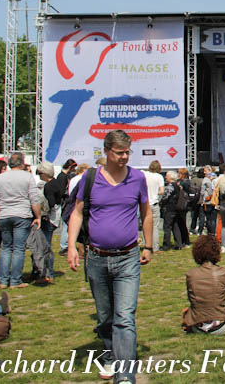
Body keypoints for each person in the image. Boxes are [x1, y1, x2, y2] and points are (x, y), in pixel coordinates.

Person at [67, 129, 153, 383]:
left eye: (127, 152)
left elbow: (146, 213)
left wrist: (149, 246)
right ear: (106, 151)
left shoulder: (137, 178)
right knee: (105, 316)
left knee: (125, 317)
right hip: (96, 258)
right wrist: (72, 246)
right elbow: (77, 213)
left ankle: (125, 375)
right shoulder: (90, 178)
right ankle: (109, 355)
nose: (124, 157)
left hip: (128, 257)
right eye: (119, 152)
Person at [0, 152, 42, 289]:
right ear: (22, 163)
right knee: (19, 248)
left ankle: (3, 280)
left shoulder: (0, 178)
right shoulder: (27, 177)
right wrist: (38, 216)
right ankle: (15, 280)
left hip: (5, 214)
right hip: (22, 214)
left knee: (6, 248)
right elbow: (34, 199)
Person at [34, 161, 59, 284]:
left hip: (47, 219)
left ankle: (47, 274)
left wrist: (42, 210)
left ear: (44, 173)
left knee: (45, 247)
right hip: (52, 219)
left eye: (39, 173)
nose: (38, 175)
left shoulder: (48, 186)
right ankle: (43, 273)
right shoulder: (56, 183)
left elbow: (50, 203)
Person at [142, 161, 164, 253]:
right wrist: (155, 193)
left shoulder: (145, 174)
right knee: (155, 226)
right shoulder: (159, 177)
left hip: (145, 203)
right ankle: (155, 248)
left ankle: (146, 245)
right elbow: (162, 191)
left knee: (145, 224)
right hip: (154, 202)